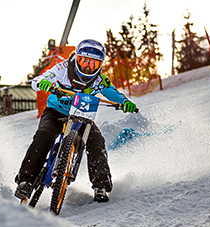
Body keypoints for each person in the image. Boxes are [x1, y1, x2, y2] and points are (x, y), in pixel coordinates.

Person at [15, 39, 137, 203]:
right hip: (55, 112)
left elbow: (111, 91)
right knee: (43, 135)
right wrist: (44, 83)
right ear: (77, 58)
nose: (87, 66)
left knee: (97, 141)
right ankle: (26, 181)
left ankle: (100, 186)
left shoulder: (100, 79)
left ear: (100, 65)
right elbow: (38, 80)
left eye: (93, 64)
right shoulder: (62, 68)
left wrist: (124, 102)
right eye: (84, 60)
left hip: (83, 115)